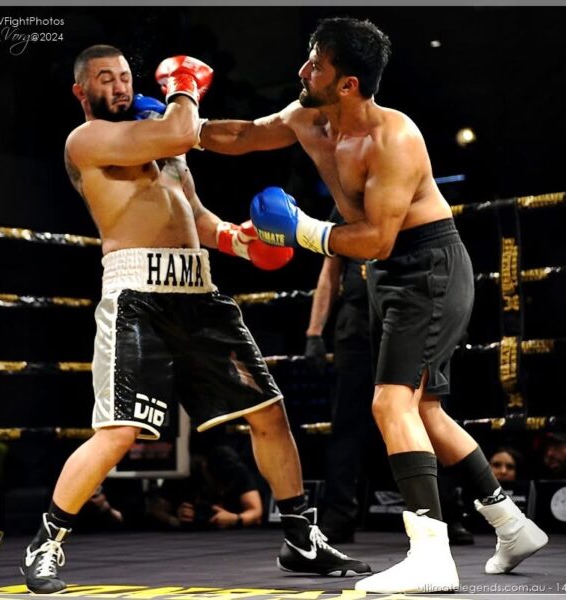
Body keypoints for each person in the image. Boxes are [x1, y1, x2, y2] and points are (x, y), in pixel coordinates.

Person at [198, 17, 548, 593]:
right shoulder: (308, 118)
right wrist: (176, 125)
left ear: (348, 84)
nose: (302, 71)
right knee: (425, 411)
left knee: (390, 404)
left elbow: (378, 239)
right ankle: (512, 525)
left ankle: (430, 555)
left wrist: (301, 229)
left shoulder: (393, 139)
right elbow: (243, 136)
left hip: (427, 268)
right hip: (389, 276)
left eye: (316, 65)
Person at [20, 44, 369, 594]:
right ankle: (46, 543)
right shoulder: (88, 140)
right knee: (119, 432)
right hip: (137, 295)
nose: (119, 85)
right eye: (105, 78)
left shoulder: (161, 136)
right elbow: (184, 129)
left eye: (125, 76)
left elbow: (196, 216)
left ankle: (302, 538)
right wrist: (184, 85)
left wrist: (239, 241)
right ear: (81, 91)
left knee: (269, 412)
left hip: (198, 293)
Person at [304, 207, 373, 544]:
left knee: (421, 414)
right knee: (346, 422)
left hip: (405, 316)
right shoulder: (343, 205)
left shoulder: (408, 190)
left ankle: (442, 514)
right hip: (356, 324)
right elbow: (329, 271)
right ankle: (340, 516)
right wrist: (314, 332)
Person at [149, 445, 263, 530]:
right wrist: (174, 519)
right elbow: (156, 509)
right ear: (205, 470)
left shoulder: (239, 472)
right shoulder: (186, 473)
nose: (221, 491)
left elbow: (256, 511)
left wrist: (235, 519)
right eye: (218, 483)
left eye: (225, 485)